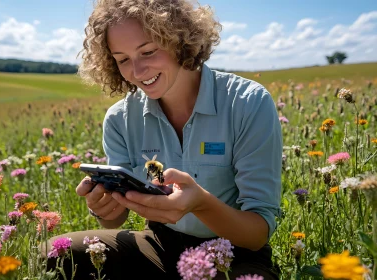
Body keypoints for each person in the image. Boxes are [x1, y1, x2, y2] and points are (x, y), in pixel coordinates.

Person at [42, 0, 282, 279]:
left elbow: (256, 235)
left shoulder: (247, 102)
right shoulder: (120, 119)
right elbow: (115, 219)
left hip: (233, 254)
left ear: (179, 40)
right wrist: (103, 207)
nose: (138, 70)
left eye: (148, 51)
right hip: (158, 246)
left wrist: (200, 203)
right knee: (54, 255)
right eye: (122, 59)